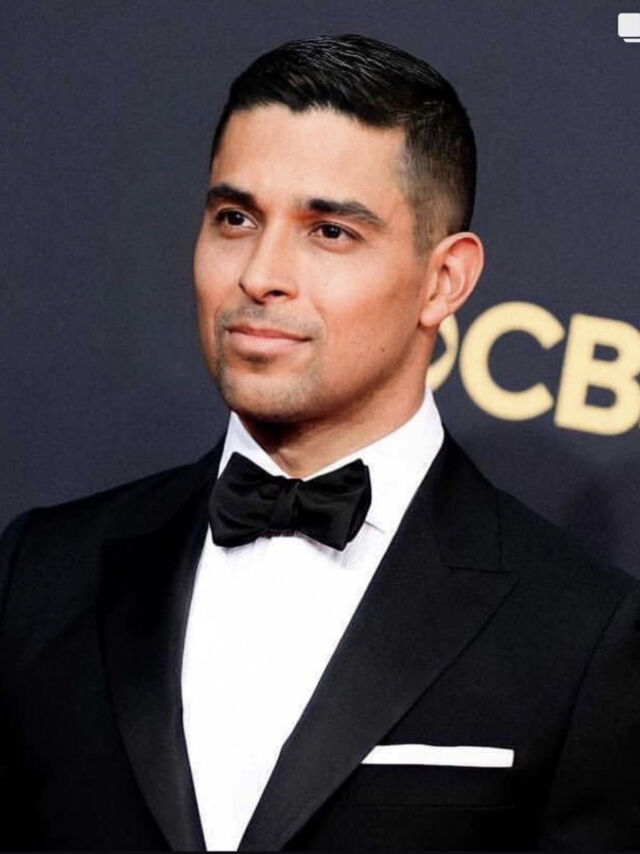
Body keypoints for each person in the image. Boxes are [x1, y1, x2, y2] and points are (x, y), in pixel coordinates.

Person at [1, 34, 639, 852]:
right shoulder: (42, 575)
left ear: (444, 280)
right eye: (235, 219)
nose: (259, 273)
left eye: (330, 232)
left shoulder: (580, 634)